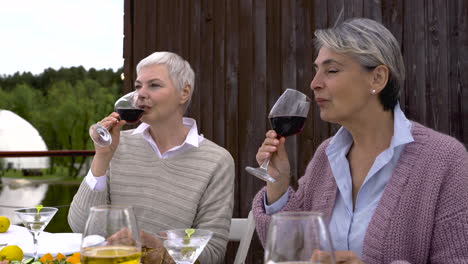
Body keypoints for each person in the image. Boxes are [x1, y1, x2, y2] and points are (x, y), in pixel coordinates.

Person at [252, 18, 468, 263]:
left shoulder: (445, 159)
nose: (315, 84)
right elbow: (289, 251)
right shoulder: (327, 155)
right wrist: (278, 184)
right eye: (316, 70)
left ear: (377, 78)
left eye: (331, 70)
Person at [68, 51, 235, 263]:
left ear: (184, 93)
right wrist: (102, 157)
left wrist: (161, 251)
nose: (141, 94)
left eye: (154, 85)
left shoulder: (217, 161)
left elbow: (213, 254)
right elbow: (80, 226)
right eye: (138, 86)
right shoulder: (119, 144)